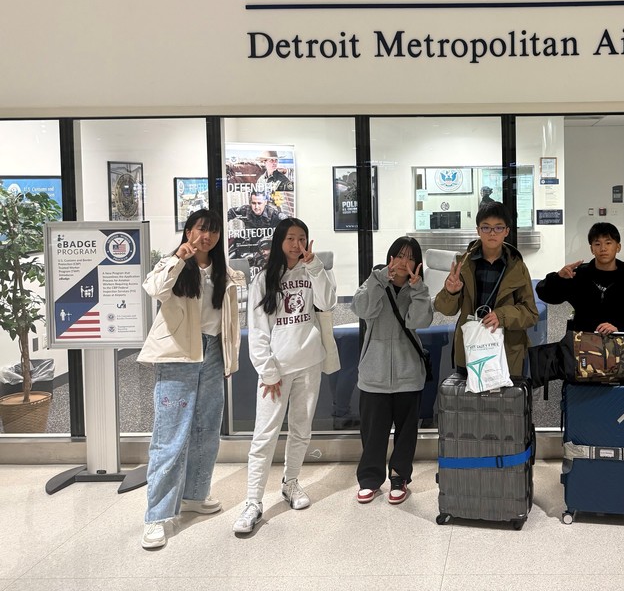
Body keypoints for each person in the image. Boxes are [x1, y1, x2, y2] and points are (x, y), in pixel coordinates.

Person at [138, 210, 245, 550]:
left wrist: (230, 358)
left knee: (207, 430)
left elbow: (228, 323)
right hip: (180, 356)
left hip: (212, 355)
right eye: (201, 230)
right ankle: (156, 516)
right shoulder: (174, 266)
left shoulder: (225, 273)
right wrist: (177, 258)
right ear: (188, 231)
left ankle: (195, 495)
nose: (207, 237)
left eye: (213, 231)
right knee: (170, 436)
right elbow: (153, 289)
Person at [233, 218, 337, 534]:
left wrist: (316, 266)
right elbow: (258, 330)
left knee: (301, 429)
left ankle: (291, 482)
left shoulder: (314, 271)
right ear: (280, 241)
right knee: (264, 435)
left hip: (309, 363)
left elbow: (328, 302)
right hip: (276, 370)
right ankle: (252, 501)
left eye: (301, 238)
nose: (296, 244)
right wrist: (268, 370)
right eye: (290, 238)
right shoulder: (264, 279)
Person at [351, 237, 433, 506]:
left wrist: (418, 290)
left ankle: (399, 478)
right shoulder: (374, 281)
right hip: (374, 375)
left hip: (408, 373)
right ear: (389, 259)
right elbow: (362, 309)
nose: (402, 262)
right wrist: (379, 279)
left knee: (406, 432)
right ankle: (370, 480)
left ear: (416, 263)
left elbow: (419, 320)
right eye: (398, 255)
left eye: (409, 257)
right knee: (373, 432)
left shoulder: (417, 290)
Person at [434, 202, 539, 377]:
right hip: (471, 346)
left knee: (504, 403)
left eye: (498, 228)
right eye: (486, 227)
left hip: (505, 351)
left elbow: (530, 313)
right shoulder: (464, 264)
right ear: (478, 230)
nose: (492, 233)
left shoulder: (517, 266)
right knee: (469, 403)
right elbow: (446, 309)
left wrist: (502, 315)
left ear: (507, 231)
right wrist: (451, 292)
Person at [536, 222, 624, 335]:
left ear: (618, 247)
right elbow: (546, 295)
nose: (603, 248)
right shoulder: (579, 276)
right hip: (582, 341)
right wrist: (558, 277)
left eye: (608, 243)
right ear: (592, 249)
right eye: (597, 244)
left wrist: (619, 328)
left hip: (617, 344)